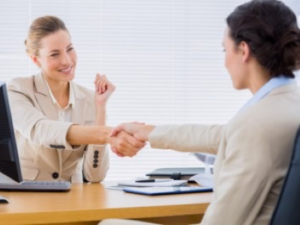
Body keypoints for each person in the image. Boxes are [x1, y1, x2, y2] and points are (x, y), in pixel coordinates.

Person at [101, 0, 300, 224]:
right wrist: (147, 132)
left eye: (225, 50)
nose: (225, 61)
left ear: (243, 50)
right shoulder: (287, 104)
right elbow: (221, 135)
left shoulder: (256, 125)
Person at [8, 16, 145, 183]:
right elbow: (40, 130)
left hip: (73, 201)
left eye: (69, 49)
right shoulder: (18, 90)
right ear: (35, 59)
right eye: (54, 54)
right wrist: (108, 134)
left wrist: (100, 107)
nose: (66, 60)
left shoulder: (89, 99)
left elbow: (95, 176)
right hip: (28, 201)